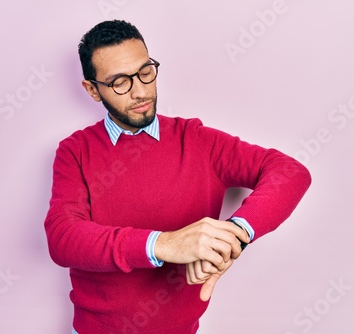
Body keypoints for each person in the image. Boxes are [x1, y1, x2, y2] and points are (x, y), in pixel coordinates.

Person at [44, 19, 311, 334]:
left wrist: (232, 236)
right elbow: (63, 238)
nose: (141, 91)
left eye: (145, 72)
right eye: (120, 82)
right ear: (92, 90)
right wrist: (162, 244)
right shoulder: (75, 150)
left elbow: (290, 172)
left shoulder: (197, 140)